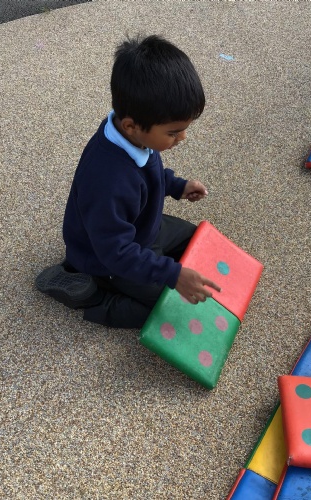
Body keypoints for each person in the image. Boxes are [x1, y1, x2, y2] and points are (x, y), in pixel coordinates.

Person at [36, 34, 220, 328]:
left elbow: (148, 172)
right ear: (132, 125)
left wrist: (177, 185)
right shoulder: (107, 180)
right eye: (173, 132)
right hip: (107, 258)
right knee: (167, 308)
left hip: (143, 229)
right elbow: (116, 252)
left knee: (198, 240)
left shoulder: (131, 134)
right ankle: (94, 296)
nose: (182, 138)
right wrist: (172, 275)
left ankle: (155, 270)